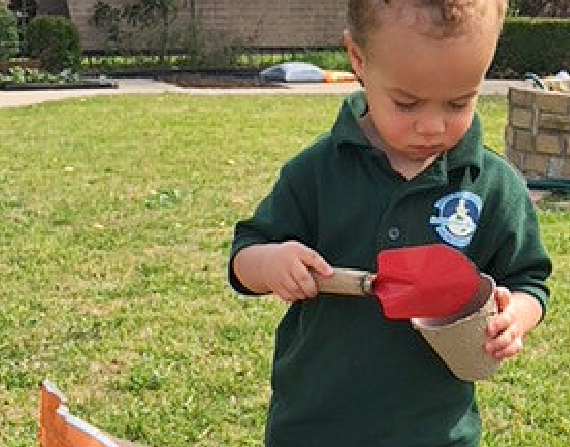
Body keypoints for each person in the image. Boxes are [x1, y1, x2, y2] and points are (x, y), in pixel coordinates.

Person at [228, 0, 552, 445]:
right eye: (407, 104)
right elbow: (245, 255)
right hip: (315, 427)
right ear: (358, 60)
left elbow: (530, 280)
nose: (433, 126)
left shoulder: (492, 187)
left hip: (434, 433)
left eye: (459, 102)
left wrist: (516, 315)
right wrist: (272, 263)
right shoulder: (318, 173)